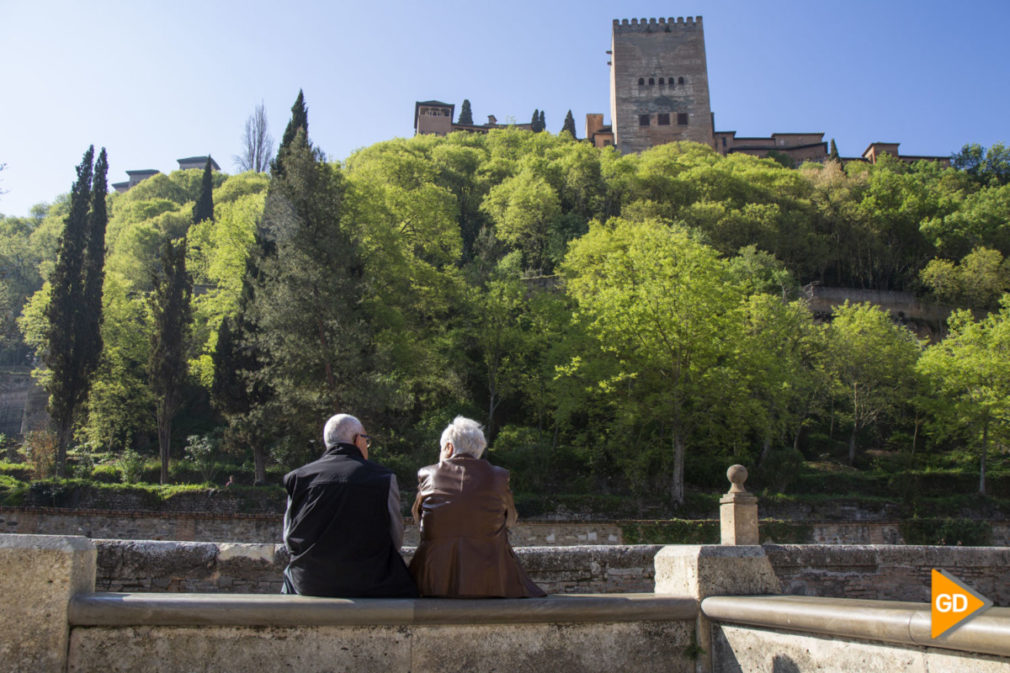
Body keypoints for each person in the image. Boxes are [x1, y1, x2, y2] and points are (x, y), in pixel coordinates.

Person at [282, 413, 417, 598]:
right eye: (366, 440)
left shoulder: (298, 478)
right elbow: (396, 539)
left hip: (310, 583)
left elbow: (289, 537)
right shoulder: (383, 478)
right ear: (357, 439)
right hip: (372, 582)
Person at [409, 416, 545, 598]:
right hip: (492, 580)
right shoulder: (499, 476)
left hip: (433, 579)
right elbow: (510, 519)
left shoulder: (428, 474)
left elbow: (419, 519)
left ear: (448, 448)